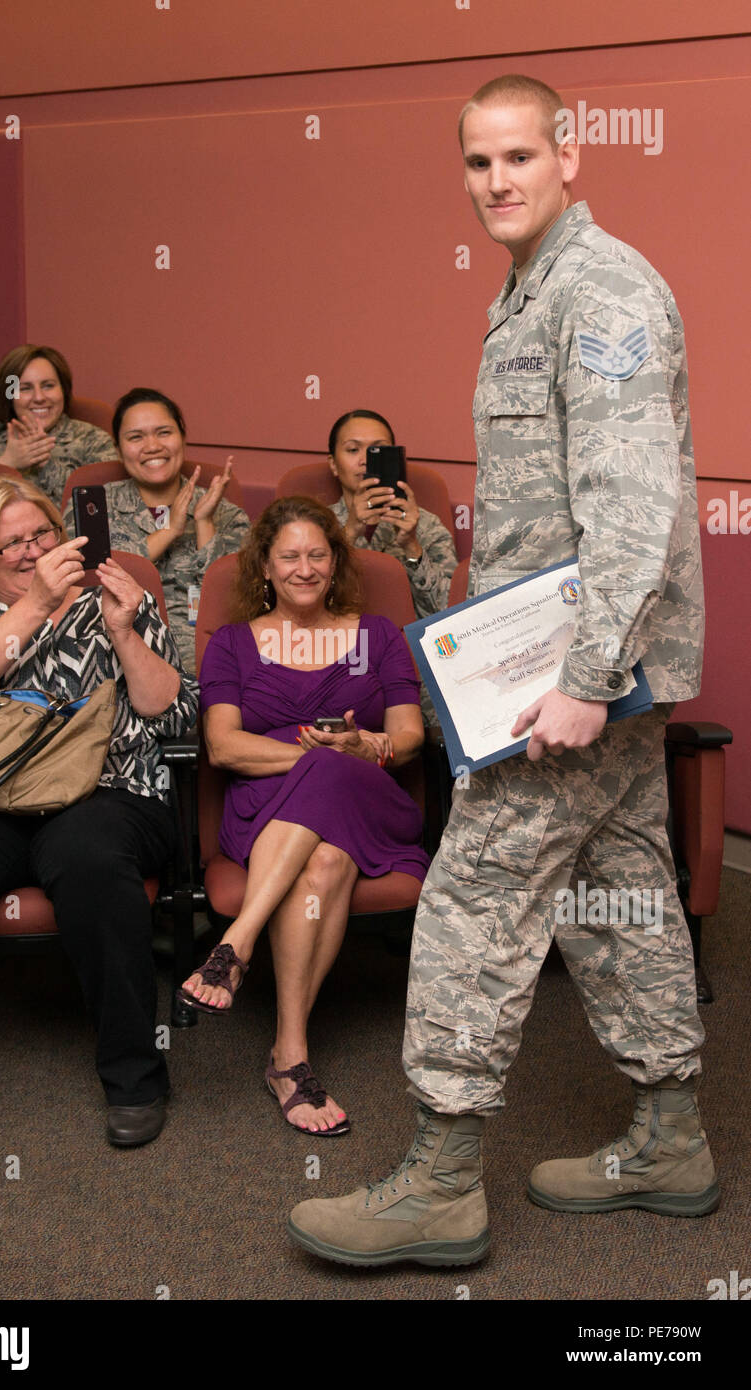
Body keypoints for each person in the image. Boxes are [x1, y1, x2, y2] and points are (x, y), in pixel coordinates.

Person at [288, 73, 712, 1267]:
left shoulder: (603, 290)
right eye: (478, 164)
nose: (498, 182)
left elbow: (630, 512)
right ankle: (671, 1135)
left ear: (570, 154)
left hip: (578, 680)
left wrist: (582, 678)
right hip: (564, 666)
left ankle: (441, 1174)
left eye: (520, 156)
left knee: (474, 894)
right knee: (615, 889)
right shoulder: (527, 293)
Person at [0, 476, 199, 1150]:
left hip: (107, 790)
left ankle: (134, 1074)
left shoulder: (115, 599)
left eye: (41, 536)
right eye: (11, 546)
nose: (30, 552)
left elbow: (172, 711)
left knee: (91, 861)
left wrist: (124, 632)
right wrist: (34, 606)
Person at [177, 497, 428, 1134]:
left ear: (335, 562)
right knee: (325, 861)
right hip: (266, 813)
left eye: (318, 554)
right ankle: (290, 1057)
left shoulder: (378, 637)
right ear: (264, 565)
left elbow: (409, 737)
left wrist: (360, 748)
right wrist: (314, 756)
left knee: (332, 769)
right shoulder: (232, 644)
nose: (304, 568)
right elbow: (223, 746)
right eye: (289, 555)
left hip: (367, 800)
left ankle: (236, 942)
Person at [65, 387, 249, 673]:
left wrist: (203, 523)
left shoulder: (224, 511)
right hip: (115, 647)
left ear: (182, 438)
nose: (152, 446)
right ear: (117, 448)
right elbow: (86, 585)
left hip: (207, 654)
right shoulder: (93, 508)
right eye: (136, 437)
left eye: (163, 432)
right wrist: (170, 531)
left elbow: (233, 602)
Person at [328, 409, 456, 619]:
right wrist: (348, 534)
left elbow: (449, 612)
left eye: (378, 451)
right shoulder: (315, 525)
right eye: (353, 450)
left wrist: (411, 546)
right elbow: (302, 604)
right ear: (333, 464)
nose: (365, 460)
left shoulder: (426, 524)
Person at [0, 345, 117, 508]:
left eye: (48, 386)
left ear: (63, 390)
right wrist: (6, 465)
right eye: (25, 388)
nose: (39, 397)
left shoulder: (94, 439)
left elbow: (106, 506)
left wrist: (46, 462)